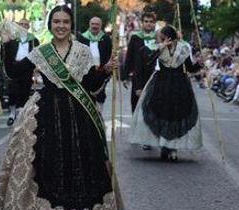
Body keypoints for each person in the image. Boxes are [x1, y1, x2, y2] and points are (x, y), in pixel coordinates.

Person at [0, 5, 122, 210]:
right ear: (50, 24)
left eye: (65, 21)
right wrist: (6, 43)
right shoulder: (40, 51)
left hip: (77, 116)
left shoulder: (83, 52)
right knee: (48, 165)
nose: (61, 26)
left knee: (75, 166)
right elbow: (14, 72)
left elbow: (90, 84)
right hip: (45, 115)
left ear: (71, 25)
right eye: (56, 21)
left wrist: (106, 70)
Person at [129, 24, 202, 161]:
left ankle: (173, 148)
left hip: (179, 85)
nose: (160, 39)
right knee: (161, 113)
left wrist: (199, 64)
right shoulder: (157, 47)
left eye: (162, 37)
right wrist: (161, 46)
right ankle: (163, 145)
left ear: (168, 37)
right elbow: (148, 61)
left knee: (176, 115)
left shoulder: (183, 48)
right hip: (161, 84)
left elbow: (190, 68)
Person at [0, 18, 39, 126]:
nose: (23, 26)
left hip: (27, 68)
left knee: (25, 90)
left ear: (28, 26)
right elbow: (4, 53)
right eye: (21, 24)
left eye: (25, 24)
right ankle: (12, 113)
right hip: (14, 67)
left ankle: (22, 113)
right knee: (12, 91)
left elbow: (36, 54)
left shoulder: (33, 40)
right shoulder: (12, 38)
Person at [123, 11, 158, 112]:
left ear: (154, 23)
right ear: (142, 23)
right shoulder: (135, 38)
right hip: (138, 76)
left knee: (153, 107)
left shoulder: (158, 38)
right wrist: (125, 76)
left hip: (155, 75)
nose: (148, 23)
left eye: (151, 21)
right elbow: (129, 57)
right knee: (137, 106)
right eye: (146, 21)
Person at [76, 16, 113, 107]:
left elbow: (109, 54)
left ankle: (99, 116)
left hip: (100, 73)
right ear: (89, 25)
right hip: (86, 74)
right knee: (86, 97)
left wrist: (108, 65)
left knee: (100, 97)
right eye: (92, 24)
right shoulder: (82, 38)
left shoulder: (106, 39)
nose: (94, 26)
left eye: (97, 24)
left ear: (100, 26)